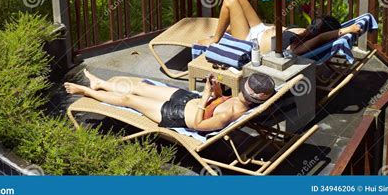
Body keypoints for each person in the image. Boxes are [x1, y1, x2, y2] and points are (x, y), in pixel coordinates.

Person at [64, 70, 276, 132]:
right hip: (186, 98)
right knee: (141, 87)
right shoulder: (238, 102)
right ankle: (99, 83)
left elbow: (199, 125)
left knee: (129, 99)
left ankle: (86, 92)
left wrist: (205, 95)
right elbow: (219, 100)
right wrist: (216, 89)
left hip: (175, 114)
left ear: (250, 99)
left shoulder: (230, 115)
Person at [197, 0, 362, 55]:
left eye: (315, 26)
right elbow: (315, 17)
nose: (311, 26)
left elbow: (323, 37)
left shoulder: (304, 44)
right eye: (313, 23)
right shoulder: (305, 31)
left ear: (321, 32)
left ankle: (215, 39)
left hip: (249, 41)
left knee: (229, 1)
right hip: (259, 29)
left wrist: (349, 29)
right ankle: (228, 31)